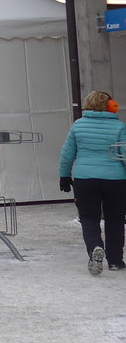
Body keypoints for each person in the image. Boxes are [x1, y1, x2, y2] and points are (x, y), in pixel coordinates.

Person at [58, 90, 126, 275]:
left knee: (89, 218)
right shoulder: (119, 127)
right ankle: (115, 260)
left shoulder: (78, 126)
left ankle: (95, 247)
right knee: (115, 220)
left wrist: (64, 175)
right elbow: (124, 154)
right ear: (111, 106)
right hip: (116, 180)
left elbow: (67, 153)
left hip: (85, 179)